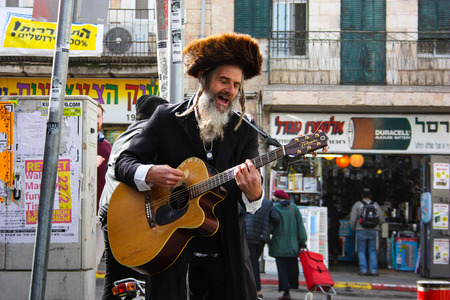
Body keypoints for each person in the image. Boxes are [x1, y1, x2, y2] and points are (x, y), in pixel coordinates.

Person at [114, 32, 264, 300]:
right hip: (169, 244)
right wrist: (149, 173)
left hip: (224, 245)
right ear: (203, 78)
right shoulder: (165, 118)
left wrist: (255, 194)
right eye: (224, 81)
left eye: (236, 85)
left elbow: (250, 196)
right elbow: (123, 163)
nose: (230, 90)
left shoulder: (244, 129)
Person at [98, 95, 168, 300]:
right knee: (127, 283)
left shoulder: (126, 135)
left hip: (114, 213)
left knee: (120, 280)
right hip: (125, 216)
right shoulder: (143, 134)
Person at [268, 190, 307, 300]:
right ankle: (289, 289)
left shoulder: (274, 208)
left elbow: (270, 228)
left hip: (279, 245)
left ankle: (286, 292)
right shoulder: (294, 208)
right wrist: (302, 241)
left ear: (277, 198)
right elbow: (300, 226)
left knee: (282, 270)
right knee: (292, 268)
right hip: (293, 245)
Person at [244, 195, 281, 300]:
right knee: (254, 262)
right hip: (261, 237)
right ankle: (255, 290)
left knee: (252, 263)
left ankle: (256, 290)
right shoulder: (268, 204)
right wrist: (269, 229)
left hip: (248, 235)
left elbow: (240, 215)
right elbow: (276, 219)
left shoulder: (246, 202)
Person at [349, 187, 384, 276]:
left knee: (361, 250)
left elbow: (353, 219)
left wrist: (354, 228)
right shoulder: (375, 205)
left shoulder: (357, 205)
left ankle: (363, 270)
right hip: (374, 230)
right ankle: (373, 270)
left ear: (361, 196)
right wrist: (378, 226)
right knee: (373, 250)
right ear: (371, 196)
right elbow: (381, 218)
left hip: (361, 230)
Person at [97, 103, 111, 211]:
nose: (96, 120)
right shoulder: (72, 144)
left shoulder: (106, 145)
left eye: (98, 116)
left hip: (101, 207)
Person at [324, 197, 341, 265]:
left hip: (329, 229)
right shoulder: (334, 209)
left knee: (328, 244)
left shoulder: (326, 209)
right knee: (335, 245)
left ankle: (328, 259)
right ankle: (335, 259)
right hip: (334, 229)